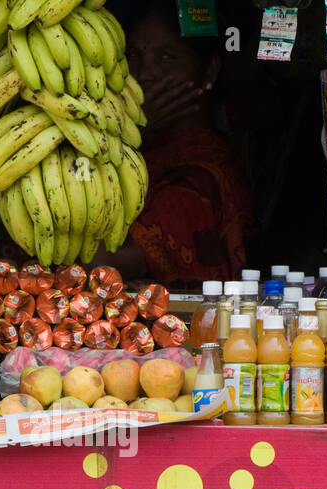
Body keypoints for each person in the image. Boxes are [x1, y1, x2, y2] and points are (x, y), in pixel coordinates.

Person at [93, 5, 252, 286]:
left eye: (167, 57)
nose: (146, 73)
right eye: (133, 56)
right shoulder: (143, 152)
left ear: (208, 73)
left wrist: (130, 138)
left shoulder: (198, 181)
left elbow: (96, 264)